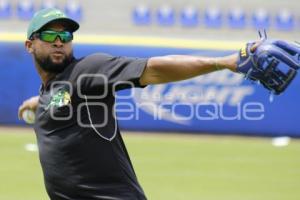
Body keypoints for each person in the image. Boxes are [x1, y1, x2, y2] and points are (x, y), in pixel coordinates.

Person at [19, 8, 239, 200]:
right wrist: (38, 103)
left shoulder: (88, 70)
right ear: (30, 45)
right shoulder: (53, 90)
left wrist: (221, 63)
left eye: (65, 35)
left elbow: (152, 69)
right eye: (49, 35)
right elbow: (62, 97)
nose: (59, 41)